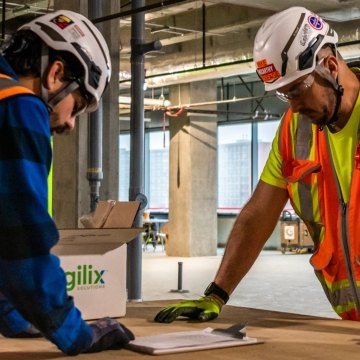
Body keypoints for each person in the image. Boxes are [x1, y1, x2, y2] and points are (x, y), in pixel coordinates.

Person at [154, 6, 360, 323]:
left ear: (330, 66)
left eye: (296, 89)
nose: (293, 105)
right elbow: (258, 215)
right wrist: (216, 294)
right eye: (283, 94)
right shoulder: (295, 130)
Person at [0, 10, 134, 355]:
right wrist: (75, 333)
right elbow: (21, 239)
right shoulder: (17, 105)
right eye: (77, 106)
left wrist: (12, 318)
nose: (71, 124)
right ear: (56, 73)